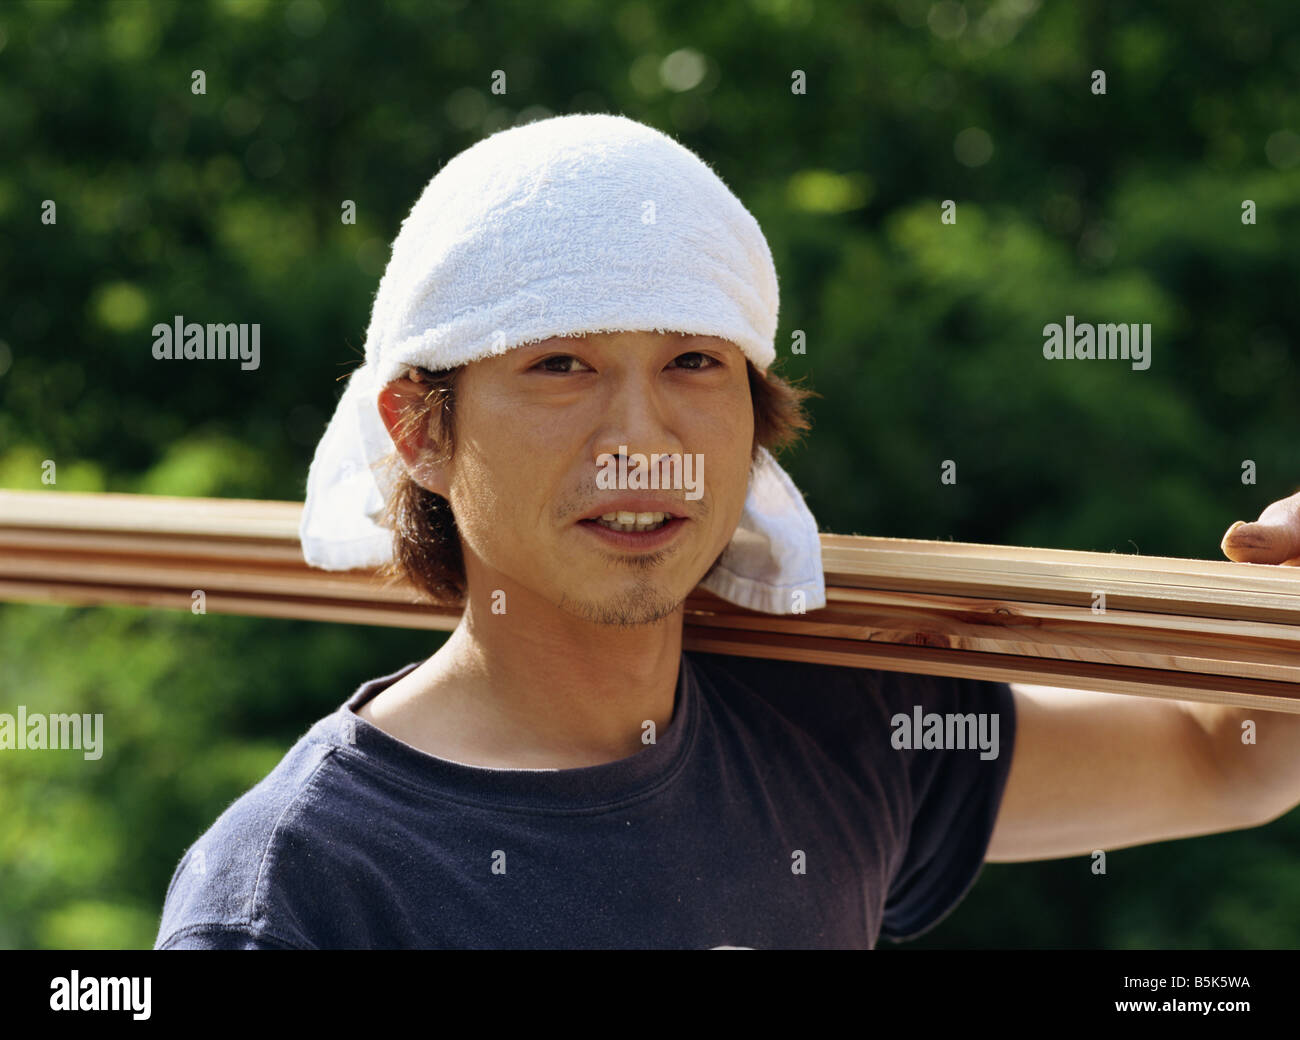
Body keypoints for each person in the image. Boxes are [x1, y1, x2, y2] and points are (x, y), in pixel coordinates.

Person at [153, 114, 1300, 950]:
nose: (640, 437)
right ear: (419, 429)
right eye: (562, 364)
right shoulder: (299, 889)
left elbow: (1220, 758)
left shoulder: (829, 716)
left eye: (694, 362)